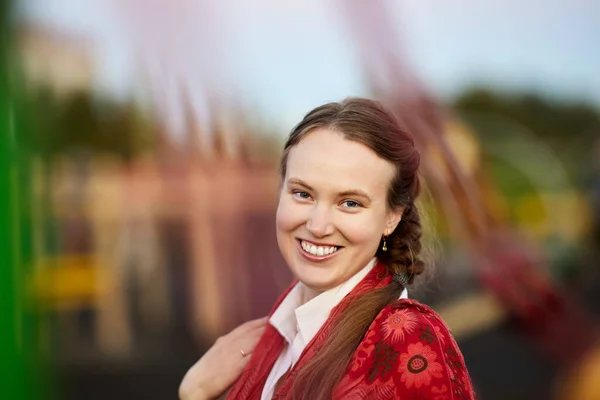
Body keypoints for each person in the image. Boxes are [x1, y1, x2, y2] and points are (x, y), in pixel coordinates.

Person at [179, 98, 475, 399]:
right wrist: (195, 390)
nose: (318, 226)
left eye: (350, 203)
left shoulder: (407, 341)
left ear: (391, 217)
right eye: (302, 194)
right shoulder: (277, 333)